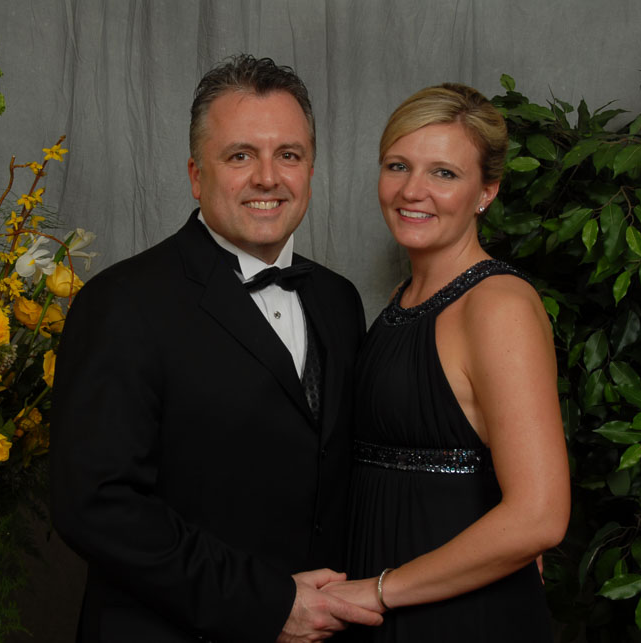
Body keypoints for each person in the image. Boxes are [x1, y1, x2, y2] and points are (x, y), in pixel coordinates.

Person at [51, 54, 382, 642]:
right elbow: (96, 506)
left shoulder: (338, 300)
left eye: (289, 155)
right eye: (240, 156)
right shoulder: (122, 303)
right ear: (196, 175)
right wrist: (269, 604)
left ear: (310, 169)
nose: (267, 178)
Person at [324, 84, 571, 641]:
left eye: (444, 173)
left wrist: (379, 589)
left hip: (456, 613)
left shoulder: (498, 306)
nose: (413, 190)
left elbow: (540, 515)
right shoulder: (402, 299)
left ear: (487, 191)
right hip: (389, 597)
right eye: (398, 165)